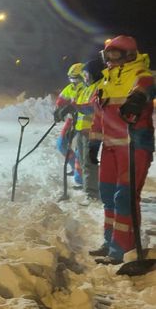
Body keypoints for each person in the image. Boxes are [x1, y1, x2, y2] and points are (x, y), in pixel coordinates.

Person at [89, 35, 155, 265]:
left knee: (125, 198)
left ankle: (124, 249)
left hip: (134, 146)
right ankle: (110, 241)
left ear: (129, 55)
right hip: (110, 149)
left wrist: (138, 98)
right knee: (108, 195)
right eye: (106, 54)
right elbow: (99, 116)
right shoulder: (104, 82)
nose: (109, 59)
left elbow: (147, 86)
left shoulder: (141, 75)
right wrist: (94, 141)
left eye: (114, 54)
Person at [74, 59, 104, 206]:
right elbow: (80, 108)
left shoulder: (99, 86)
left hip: (91, 131)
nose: (85, 77)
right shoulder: (87, 88)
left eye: (87, 74)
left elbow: (93, 107)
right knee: (82, 160)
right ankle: (88, 188)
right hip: (81, 130)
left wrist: (75, 107)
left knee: (89, 162)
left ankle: (92, 193)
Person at [54, 63, 84, 186]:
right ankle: (73, 166)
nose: (73, 81)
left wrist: (72, 108)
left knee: (80, 150)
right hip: (71, 120)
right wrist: (58, 110)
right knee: (61, 144)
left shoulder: (86, 88)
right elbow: (61, 100)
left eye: (75, 78)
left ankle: (81, 178)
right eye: (71, 78)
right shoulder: (70, 88)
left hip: (84, 122)